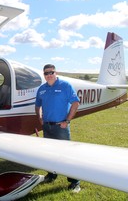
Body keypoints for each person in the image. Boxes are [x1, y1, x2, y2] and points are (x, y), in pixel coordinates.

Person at [35, 64, 81, 193]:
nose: (49, 75)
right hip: (47, 126)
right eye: (46, 73)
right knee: (49, 153)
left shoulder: (65, 86)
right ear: (44, 75)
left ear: (56, 73)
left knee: (66, 154)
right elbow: (37, 105)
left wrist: (67, 121)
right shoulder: (42, 89)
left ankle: (75, 182)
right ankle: (51, 175)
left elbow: (75, 102)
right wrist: (40, 118)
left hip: (60, 127)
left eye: (51, 72)